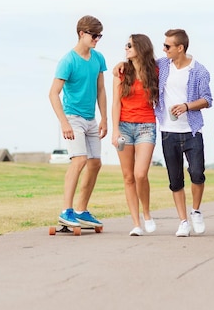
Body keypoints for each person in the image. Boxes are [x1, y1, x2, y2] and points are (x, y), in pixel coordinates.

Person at [48, 15, 108, 230]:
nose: (97, 39)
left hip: (91, 119)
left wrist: (105, 118)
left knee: (95, 163)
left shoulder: (98, 58)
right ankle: (66, 211)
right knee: (79, 160)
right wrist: (64, 123)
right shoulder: (68, 61)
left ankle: (81, 211)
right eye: (94, 35)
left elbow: (101, 89)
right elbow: (53, 94)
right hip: (73, 117)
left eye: (99, 35)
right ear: (82, 33)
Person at [157, 29, 213, 237]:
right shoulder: (162, 66)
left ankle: (196, 211)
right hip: (167, 131)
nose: (164, 49)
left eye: (167, 46)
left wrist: (187, 106)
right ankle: (183, 221)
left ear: (180, 48)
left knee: (197, 173)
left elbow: (207, 100)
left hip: (191, 130)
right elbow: (141, 66)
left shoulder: (199, 71)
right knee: (175, 179)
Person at [111, 34, 159, 236]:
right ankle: (136, 223)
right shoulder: (121, 72)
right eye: (126, 45)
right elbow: (116, 103)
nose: (126, 48)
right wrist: (115, 130)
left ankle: (147, 214)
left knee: (140, 174)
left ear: (141, 47)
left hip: (146, 126)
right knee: (128, 176)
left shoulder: (156, 71)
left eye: (130, 45)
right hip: (124, 128)